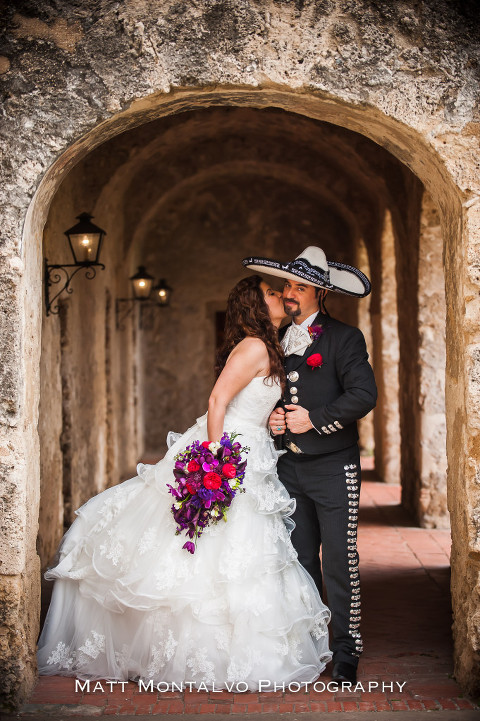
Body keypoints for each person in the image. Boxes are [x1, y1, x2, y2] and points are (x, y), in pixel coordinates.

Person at [37, 275, 332, 688]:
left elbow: (255, 403)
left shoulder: (269, 347)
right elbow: (217, 401)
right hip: (229, 453)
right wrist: (214, 461)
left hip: (255, 453)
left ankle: (237, 651)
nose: (281, 296)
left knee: (242, 551)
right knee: (210, 545)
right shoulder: (253, 346)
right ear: (255, 305)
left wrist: (274, 420)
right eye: (270, 293)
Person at [243, 247, 377, 684]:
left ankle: (346, 651)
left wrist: (313, 420)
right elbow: (271, 394)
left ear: (319, 292)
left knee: (340, 560)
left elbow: (363, 395)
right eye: (287, 286)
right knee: (298, 559)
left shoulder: (345, 337)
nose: (290, 293)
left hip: (334, 467)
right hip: (288, 468)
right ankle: (310, 642)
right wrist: (276, 417)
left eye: (299, 287)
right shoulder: (277, 339)